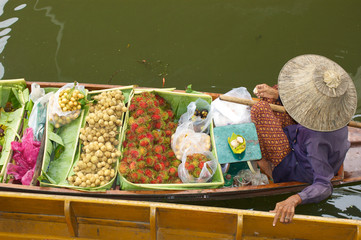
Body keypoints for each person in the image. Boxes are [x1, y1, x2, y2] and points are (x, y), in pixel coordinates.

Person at [251, 54, 357, 226]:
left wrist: (295, 199)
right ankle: (277, 97)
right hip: (299, 139)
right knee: (274, 92)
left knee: (259, 110)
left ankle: (271, 170)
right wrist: (277, 95)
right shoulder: (335, 112)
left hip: (298, 166)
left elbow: (324, 185)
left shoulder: (315, 138)